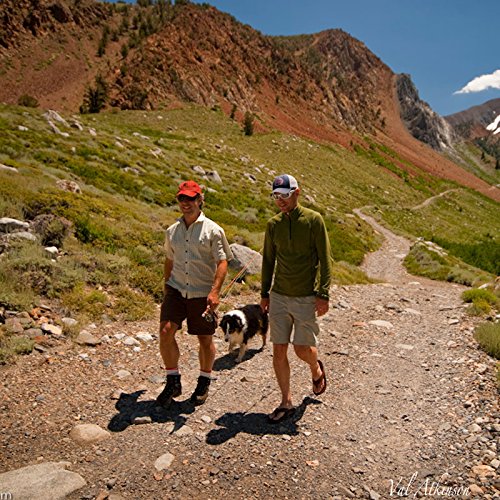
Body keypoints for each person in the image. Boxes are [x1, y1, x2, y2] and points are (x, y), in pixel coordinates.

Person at [260, 174, 333, 424]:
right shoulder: (273, 225)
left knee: (302, 349)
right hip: (279, 296)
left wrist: (323, 294)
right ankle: (286, 402)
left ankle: (316, 369)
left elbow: (325, 258)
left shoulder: (314, 221)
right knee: (279, 349)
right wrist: (264, 294)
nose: (280, 201)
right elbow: (269, 260)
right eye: (276, 196)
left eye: (285, 195)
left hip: (305, 297)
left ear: (297, 193)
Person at [157, 180, 233, 408]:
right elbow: (169, 259)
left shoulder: (213, 230)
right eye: (182, 198)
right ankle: (173, 381)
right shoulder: (173, 231)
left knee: (204, 338)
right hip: (176, 289)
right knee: (165, 331)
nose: (186, 203)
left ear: (200, 200)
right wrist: (166, 286)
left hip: (202, 292)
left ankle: (204, 380)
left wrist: (215, 291)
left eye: (191, 198)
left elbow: (222, 261)